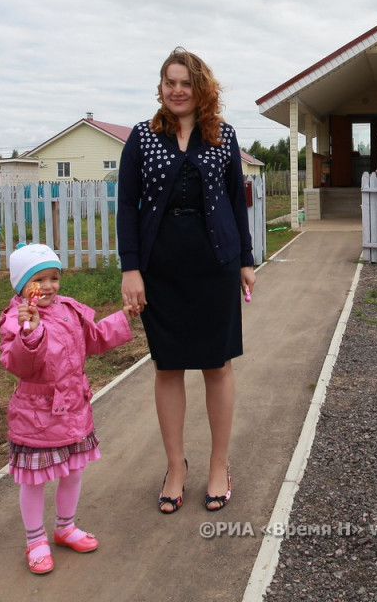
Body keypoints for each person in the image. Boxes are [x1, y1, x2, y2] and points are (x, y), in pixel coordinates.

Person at [117, 46, 256, 516]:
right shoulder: (142, 137)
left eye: (185, 83)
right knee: (168, 366)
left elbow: (238, 204)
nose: (177, 90)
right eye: (169, 82)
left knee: (216, 365)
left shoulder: (223, 137)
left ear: (201, 90)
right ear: (160, 88)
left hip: (215, 264)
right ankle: (176, 467)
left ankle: (220, 465)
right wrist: (130, 269)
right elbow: (126, 208)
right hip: (161, 269)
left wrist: (246, 261)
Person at [0, 242, 135, 575]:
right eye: (38, 280)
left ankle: (65, 527)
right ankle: (35, 540)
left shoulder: (68, 309)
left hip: (74, 410)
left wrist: (122, 318)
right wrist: (29, 332)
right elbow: (21, 364)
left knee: (73, 472)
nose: (47, 287)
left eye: (53, 278)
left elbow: (94, 338)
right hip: (36, 417)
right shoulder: (18, 320)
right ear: (21, 285)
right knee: (33, 481)